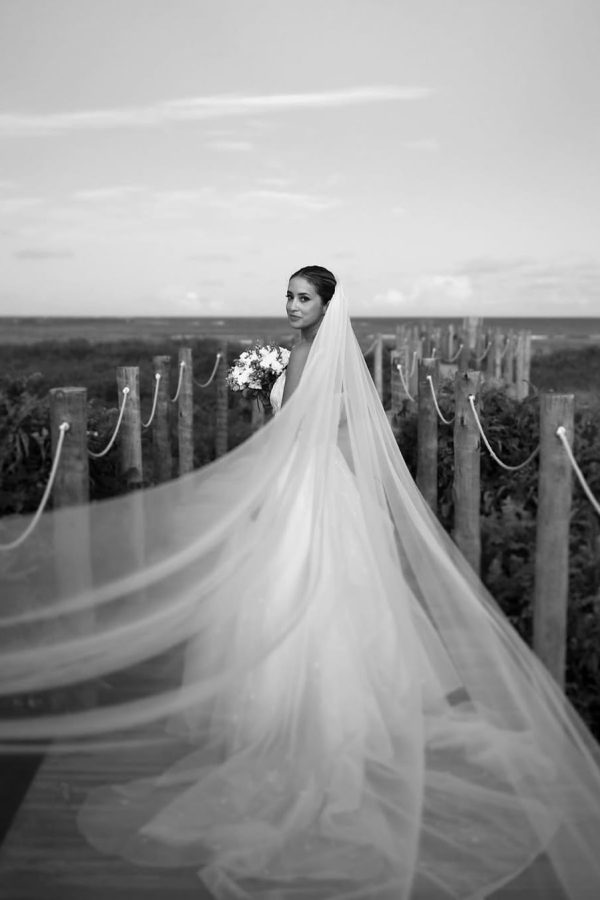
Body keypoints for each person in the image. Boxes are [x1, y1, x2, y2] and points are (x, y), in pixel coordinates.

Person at [1, 266, 600, 900]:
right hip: (300, 482)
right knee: (284, 592)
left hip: (313, 487)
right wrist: (268, 397)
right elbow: (295, 423)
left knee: (313, 591)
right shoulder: (295, 351)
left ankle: (325, 721)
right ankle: (289, 714)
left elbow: (324, 429)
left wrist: (279, 422)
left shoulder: (329, 358)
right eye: (288, 296)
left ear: (327, 304)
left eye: (303, 298)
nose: (291, 306)